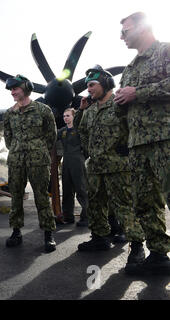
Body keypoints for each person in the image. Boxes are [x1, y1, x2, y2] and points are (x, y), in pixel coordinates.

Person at [114, 12, 170, 275]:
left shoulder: (165, 51)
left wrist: (138, 92)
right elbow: (126, 111)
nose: (121, 37)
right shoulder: (129, 69)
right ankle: (159, 254)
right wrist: (119, 102)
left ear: (142, 27)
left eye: (125, 31)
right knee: (145, 203)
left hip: (165, 139)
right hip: (138, 146)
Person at [76, 66, 145, 268]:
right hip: (96, 167)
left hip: (119, 166)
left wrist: (127, 148)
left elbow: (136, 125)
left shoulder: (120, 104)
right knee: (95, 204)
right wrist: (90, 150)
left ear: (105, 83)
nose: (88, 89)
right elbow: (82, 132)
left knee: (124, 207)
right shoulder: (89, 111)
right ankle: (100, 238)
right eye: (87, 86)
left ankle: (137, 246)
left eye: (92, 85)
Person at [2, 75, 57, 253]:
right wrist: (18, 149)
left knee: (41, 196)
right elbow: (8, 138)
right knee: (16, 196)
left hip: (38, 160)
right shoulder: (10, 113)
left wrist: (38, 148)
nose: (12, 92)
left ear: (25, 88)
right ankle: (16, 232)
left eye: (15, 88)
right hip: (16, 160)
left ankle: (48, 234)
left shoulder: (43, 110)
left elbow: (51, 135)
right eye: (11, 90)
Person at [55, 108, 88, 227]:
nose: (65, 118)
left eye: (68, 115)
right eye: (64, 116)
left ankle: (86, 216)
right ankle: (68, 216)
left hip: (77, 160)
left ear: (74, 117)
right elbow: (50, 137)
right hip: (66, 161)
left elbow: (80, 119)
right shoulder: (62, 131)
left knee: (81, 188)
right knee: (67, 189)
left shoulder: (79, 129)